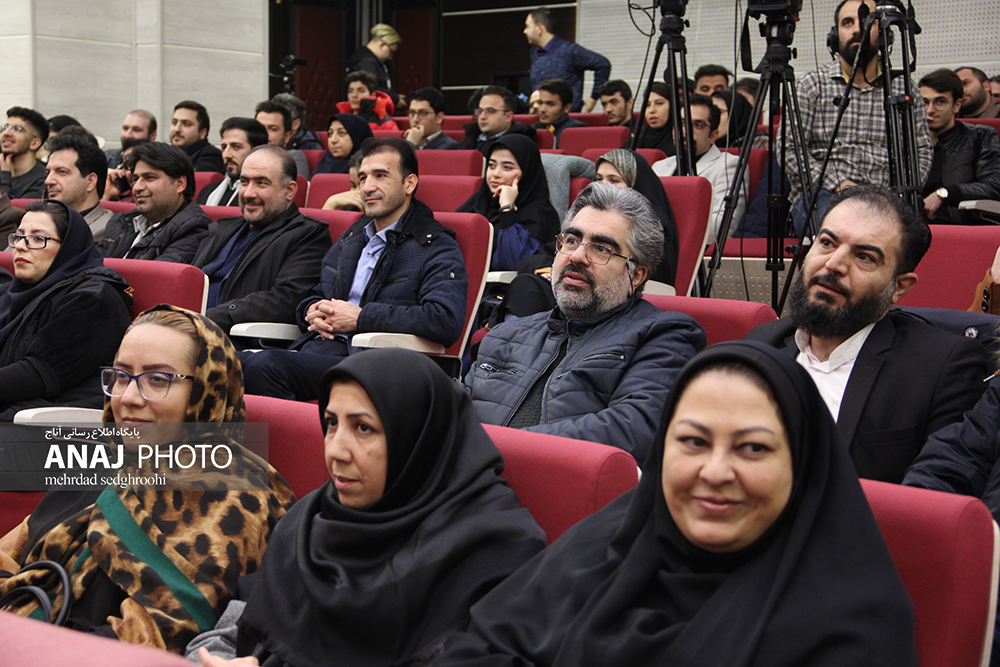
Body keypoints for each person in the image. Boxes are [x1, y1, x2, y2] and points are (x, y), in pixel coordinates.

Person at [438, 341, 919, 666]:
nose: (715, 472)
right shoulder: (608, 544)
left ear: (801, 462)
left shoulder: (852, 623)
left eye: (753, 448)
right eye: (693, 442)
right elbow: (484, 646)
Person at [186, 348, 546, 667]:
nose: (335, 451)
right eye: (331, 424)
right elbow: (229, 635)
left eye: (363, 428)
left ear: (417, 437)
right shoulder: (311, 520)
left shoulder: (494, 550)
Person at [0, 305, 296, 653]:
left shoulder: (237, 499)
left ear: (205, 390)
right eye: (121, 375)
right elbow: (14, 549)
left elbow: (156, 638)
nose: (128, 397)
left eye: (158, 379)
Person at [746, 185, 989, 483]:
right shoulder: (761, 342)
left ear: (899, 287)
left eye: (864, 257)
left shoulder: (942, 368)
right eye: (827, 243)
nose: (833, 264)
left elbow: (937, 488)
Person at [467, 182, 705, 461]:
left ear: (636, 276)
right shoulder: (505, 334)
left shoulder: (664, 335)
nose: (577, 256)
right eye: (571, 240)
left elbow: (633, 429)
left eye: (601, 248)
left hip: (557, 481)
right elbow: (453, 414)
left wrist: (497, 449)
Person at [241, 138, 468, 402]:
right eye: (362, 178)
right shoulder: (353, 237)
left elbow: (444, 320)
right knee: (229, 363)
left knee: (263, 366)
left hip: (379, 365)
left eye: (381, 176)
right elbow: (318, 292)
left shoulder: (434, 244)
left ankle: (296, 430)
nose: (367, 187)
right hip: (322, 350)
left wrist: (361, 318)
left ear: (409, 184)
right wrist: (311, 311)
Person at [781, 0, 932, 232]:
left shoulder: (903, 89)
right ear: (835, 35)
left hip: (887, 199)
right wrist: (839, 184)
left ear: (884, 34)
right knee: (845, 229)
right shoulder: (811, 85)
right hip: (825, 195)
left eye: (866, 21)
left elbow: (921, 151)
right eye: (847, 23)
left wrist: (897, 193)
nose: (856, 29)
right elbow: (790, 149)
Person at [0, 199, 132, 419]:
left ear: (69, 247)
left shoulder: (93, 300)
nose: (21, 246)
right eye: (19, 237)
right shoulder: (14, 292)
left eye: (37, 238)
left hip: (45, 420)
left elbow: (37, 374)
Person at [192, 145, 331, 334]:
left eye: (261, 183)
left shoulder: (308, 235)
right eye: (244, 182)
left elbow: (285, 300)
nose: (248, 193)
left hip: (229, 335)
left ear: (290, 191)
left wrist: (210, 317)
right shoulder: (221, 229)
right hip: (186, 325)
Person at [653, 94, 747, 245]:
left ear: (713, 135)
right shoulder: (660, 166)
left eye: (698, 125)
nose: (686, 131)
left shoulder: (729, 165)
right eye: (681, 123)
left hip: (702, 251)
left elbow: (722, 226)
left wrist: (662, 228)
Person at [457, 134, 560, 271]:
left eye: (507, 168)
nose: (495, 174)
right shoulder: (476, 202)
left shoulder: (540, 214)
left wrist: (507, 208)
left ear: (527, 172)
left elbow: (514, 263)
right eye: (491, 165)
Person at [97, 142, 209, 262]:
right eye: (135, 179)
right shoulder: (121, 221)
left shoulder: (193, 229)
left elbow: (150, 274)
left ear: (180, 184)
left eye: (149, 178)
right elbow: (90, 266)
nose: (137, 187)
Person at [919, 68, 1000, 224]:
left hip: (959, 223)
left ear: (957, 105)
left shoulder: (980, 136)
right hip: (911, 227)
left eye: (940, 102)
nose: (930, 110)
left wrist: (945, 194)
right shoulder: (907, 142)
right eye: (924, 102)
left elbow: (994, 186)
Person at [597, 149, 678, 286]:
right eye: (599, 179)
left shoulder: (655, 228)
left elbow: (655, 280)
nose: (602, 186)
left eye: (614, 180)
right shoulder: (590, 215)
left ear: (634, 185)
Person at [524, 7, 610, 113]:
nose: (525, 31)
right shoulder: (534, 52)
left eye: (527, 26)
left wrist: (594, 98)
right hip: (542, 117)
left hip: (567, 118)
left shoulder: (569, 50)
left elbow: (603, 64)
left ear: (539, 28)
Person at [44, 131, 113, 242]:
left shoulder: (107, 231)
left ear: (90, 182)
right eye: (48, 172)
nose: (48, 181)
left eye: (62, 172)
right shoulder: (37, 222)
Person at [196, 117, 269, 207]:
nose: (227, 155)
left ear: (257, 151)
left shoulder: (262, 196)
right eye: (224, 147)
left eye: (236, 147)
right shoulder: (208, 192)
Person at [457, 86, 537, 153]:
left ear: (508, 117)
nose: (482, 117)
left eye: (490, 111)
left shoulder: (518, 144)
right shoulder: (470, 139)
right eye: (480, 111)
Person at [345, 23, 402, 107]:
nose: (390, 57)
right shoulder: (368, 62)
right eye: (391, 52)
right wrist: (395, 98)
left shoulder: (360, 57)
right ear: (382, 45)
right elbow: (373, 89)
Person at [253, 101, 310, 180]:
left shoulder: (293, 158)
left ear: (287, 137)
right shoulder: (243, 155)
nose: (265, 133)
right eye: (260, 128)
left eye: (273, 129)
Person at [1, 106, 48, 199]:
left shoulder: (44, 180)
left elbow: (8, 207)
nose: (6, 133)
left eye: (16, 129)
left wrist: (5, 176)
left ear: (34, 143)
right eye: (5, 127)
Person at [170, 100, 225, 174]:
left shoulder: (211, 157)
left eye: (186, 124)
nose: (177, 129)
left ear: (203, 133)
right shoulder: (165, 155)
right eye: (174, 123)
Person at [311, 113, 373, 177]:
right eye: (330, 133)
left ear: (358, 137)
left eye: (342, 133)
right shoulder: (324, 164)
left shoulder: (369, 169)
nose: (333, 140)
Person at [533, 79, 587, 147]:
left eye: (550, 104)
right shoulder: (534, 129)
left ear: (566, 108)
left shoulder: (577, 130)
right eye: (540, 103)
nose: (542, 109)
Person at [635, 81, 675, 156]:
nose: (652, 110)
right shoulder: (637, 140)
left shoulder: (682, 143)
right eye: (647, 105)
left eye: (659, 103)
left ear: (672, 106)